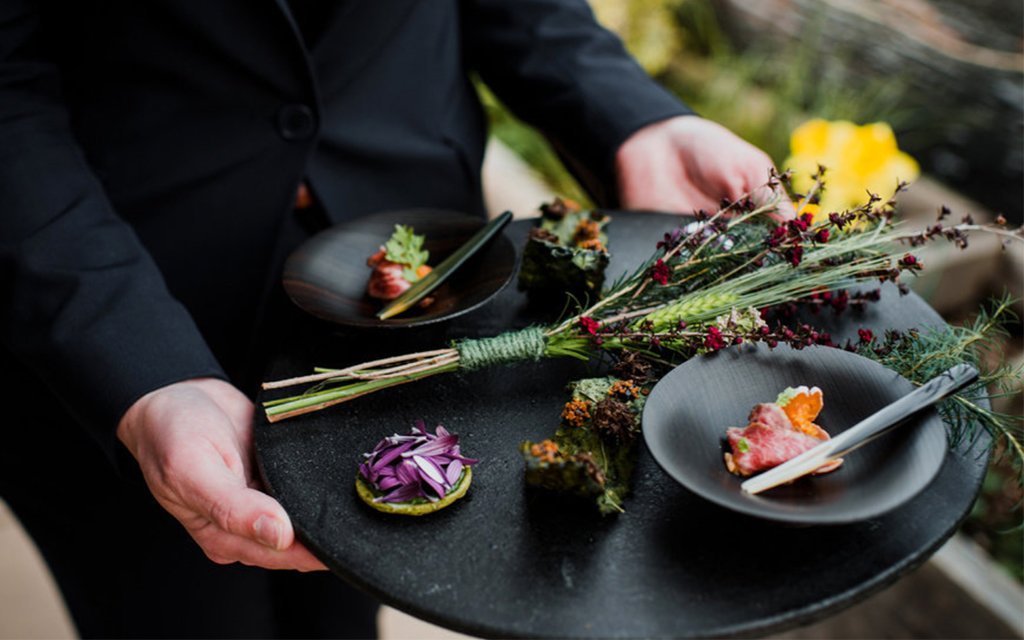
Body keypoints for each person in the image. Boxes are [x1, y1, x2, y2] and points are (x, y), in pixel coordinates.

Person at [0, 1, 782, 637]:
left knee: (345, 612)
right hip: (112, 314)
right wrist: (136, 362)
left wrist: (634, 119)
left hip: (419, 295)